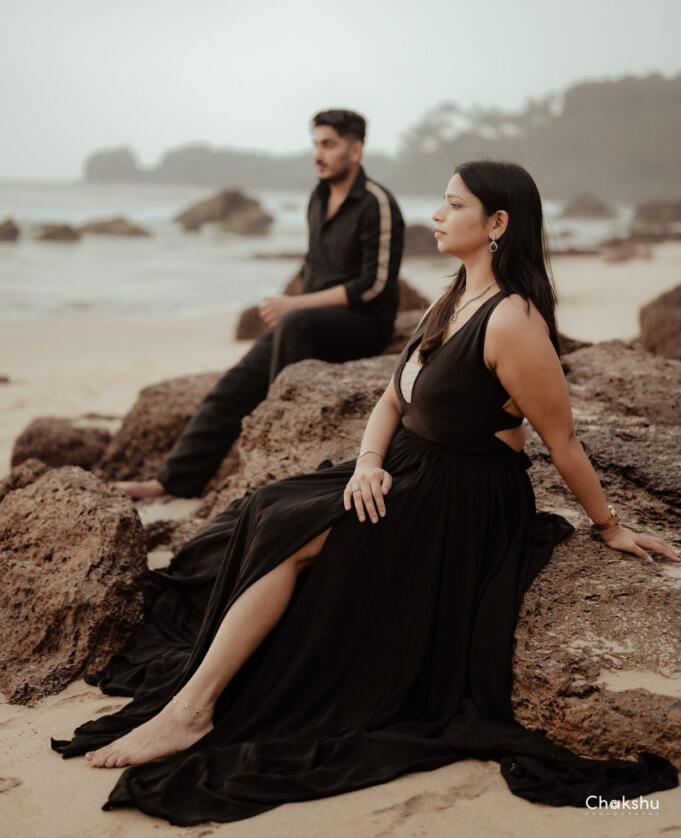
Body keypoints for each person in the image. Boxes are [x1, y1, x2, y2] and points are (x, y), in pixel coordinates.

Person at [52, 160, 680, 826]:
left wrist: (608, 525)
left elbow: (563, 443)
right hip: (403, 466)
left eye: (452, 205)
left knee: (289, 534)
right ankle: (202, 690)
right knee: (268, 507)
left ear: (495, 224)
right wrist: (365, 464)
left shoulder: (512, 322)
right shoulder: (448, 300)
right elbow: (390, 398)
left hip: (460, 498)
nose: (436, 216)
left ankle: (192, 712)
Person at [116, 108, 405, 500]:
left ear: (355, 151)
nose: (318, 154)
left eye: (329, 145)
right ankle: (171, 481)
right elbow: (314, 263)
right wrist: (295, 305)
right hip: (308, 322)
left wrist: (296, 305)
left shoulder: (377, 203)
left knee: (291, 325)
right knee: (232, 386)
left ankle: (275, 440)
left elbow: (373, 285)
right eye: (315, 144)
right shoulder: (318, 198)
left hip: (362, 324)